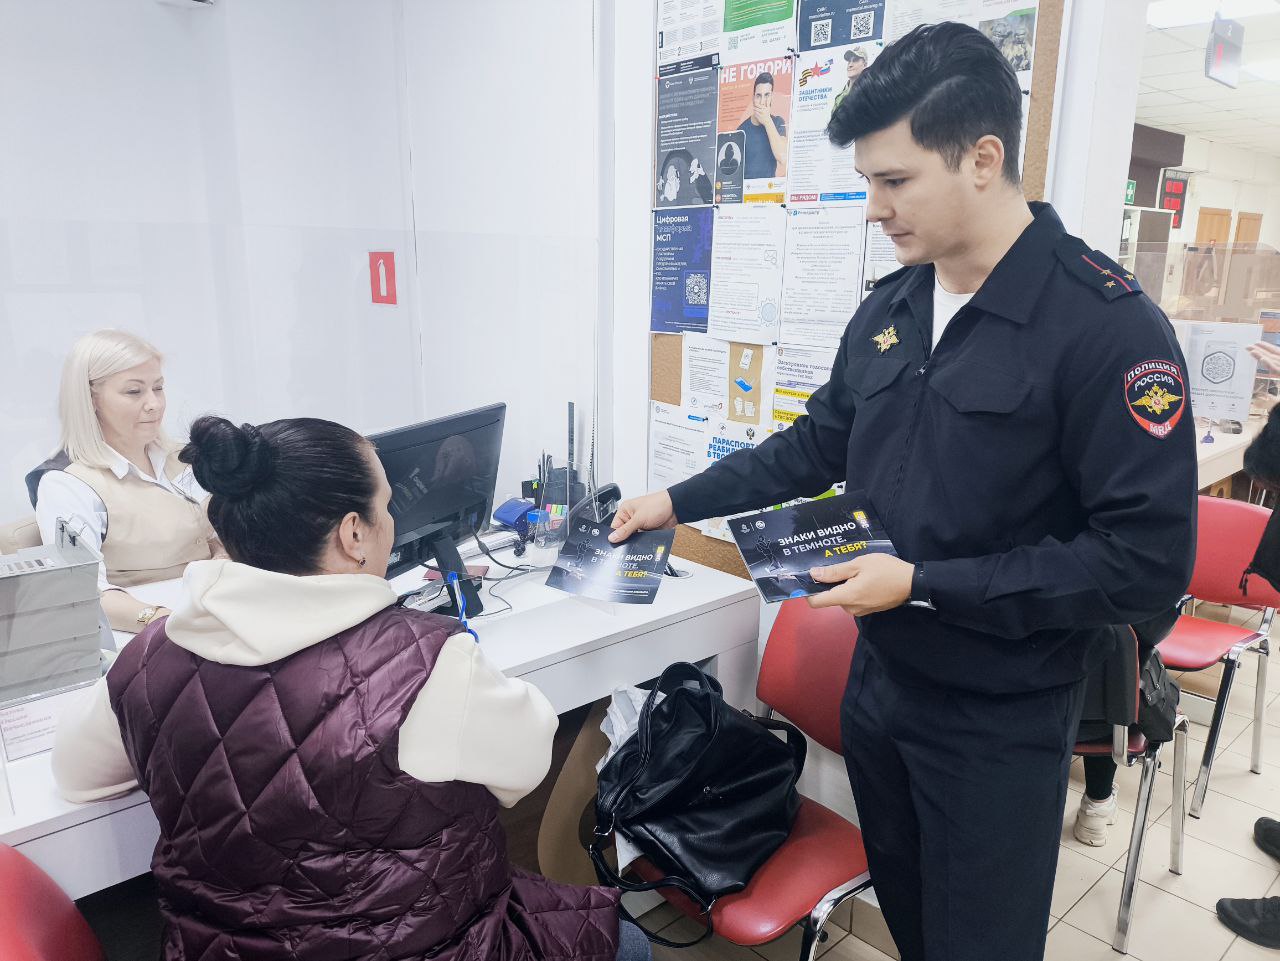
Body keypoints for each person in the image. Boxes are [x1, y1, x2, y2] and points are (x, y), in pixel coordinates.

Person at [610, 22, 1196, 961]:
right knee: (916, 931)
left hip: (999, 715)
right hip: (880, 690)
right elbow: (815, 445)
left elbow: (1143, 563)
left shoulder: (1105, 327)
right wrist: (678, 500)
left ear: (982, 159)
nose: (874, 209)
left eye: (894, 181)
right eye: (868, 181)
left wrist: (924, 583)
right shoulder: (892, 307)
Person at [51, 415, 649, 961]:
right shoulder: (424, 665)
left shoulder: (150, 657)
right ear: (353, 535)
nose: (393, 522)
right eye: (386, 505)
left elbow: (78, 775)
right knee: (627, 942)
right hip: (424, 949)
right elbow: (526, 765)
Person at [26, 330, 220, 633]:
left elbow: (218, 532)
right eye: (134, 391)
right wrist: (165, 621)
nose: (154, 404)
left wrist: (225, 557)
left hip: (216, 608)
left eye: (158, 388)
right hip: (148, 632)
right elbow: (84, 591)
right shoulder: (66, 484)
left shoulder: (182, 457)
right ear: (91, 399)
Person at [738, 71, 788, 180]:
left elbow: (783, 158)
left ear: (772, 97)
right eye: (758, 96)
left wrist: (767, 121)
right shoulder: (741, 130)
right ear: (753, 98)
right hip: (748, 188)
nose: (762, 102)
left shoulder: (777, 122)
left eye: (767, 95)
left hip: (769, 188)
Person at [831, 47, 869, 115]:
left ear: (865, 65)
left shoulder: (870, 91)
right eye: (849, 61)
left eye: (855, 60)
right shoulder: (840, 96)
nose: (850, 65)